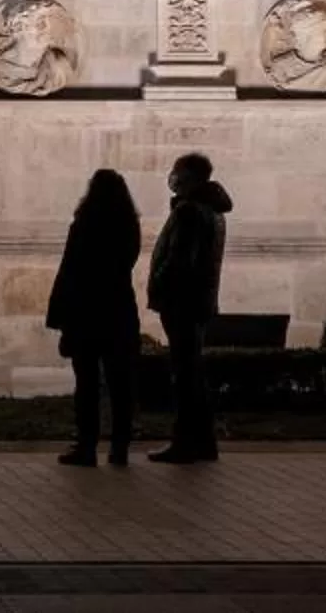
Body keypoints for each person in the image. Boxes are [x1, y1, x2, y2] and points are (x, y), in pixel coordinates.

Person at [45, 168, 142, 466]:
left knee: (86, 384)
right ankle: (120, 448)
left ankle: (86, 446)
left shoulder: (85, 223)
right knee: (120, 385)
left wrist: (59, 316)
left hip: (86, 312)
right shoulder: (129, 225)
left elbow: (70, 270)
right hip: (119, 310)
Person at [146, 151, 233, 463]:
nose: (172, 177)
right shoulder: (213, 211)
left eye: (177, 171)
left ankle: (185, 443)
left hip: (181, 302)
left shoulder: (189, 212)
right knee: (192, 372)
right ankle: (204, 442)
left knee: (185, 375)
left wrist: (157, 283)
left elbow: (180, 261)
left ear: (189, 177)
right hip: (199, 301)